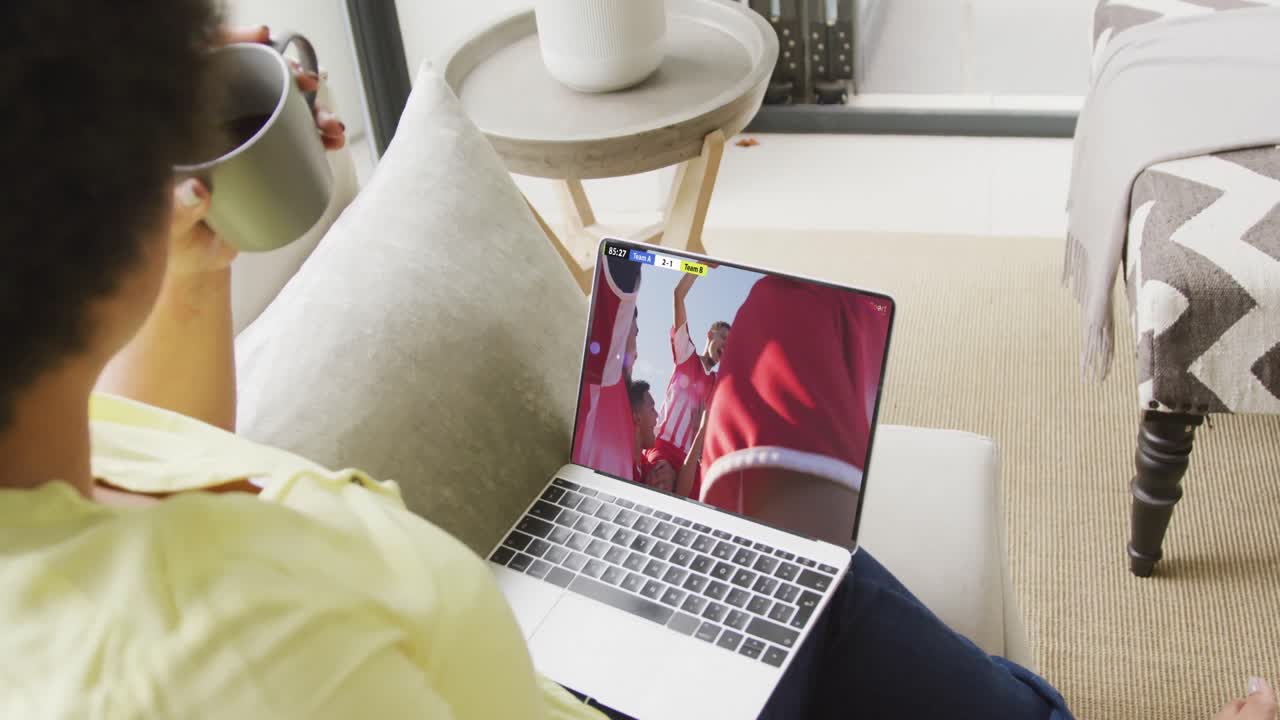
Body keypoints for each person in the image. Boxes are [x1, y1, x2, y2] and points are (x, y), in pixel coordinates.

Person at [1, 3, 1271, 719]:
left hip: (552, 631)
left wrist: (195, 270)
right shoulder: (241, 667)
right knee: (842, 603)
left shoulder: (49, 459)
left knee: (793, 562)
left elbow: (156, 446)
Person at [698, 276, 891, 547]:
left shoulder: (877, 312)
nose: (725, 346)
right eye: (722, 339)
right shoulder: (782, 312)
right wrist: (693, 268)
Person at [646, 271, 727, 499]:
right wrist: (699, 266)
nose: (726, 347)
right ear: (710, 335)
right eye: (723, 339)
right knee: (659, 484)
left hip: (687, 461)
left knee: (715, 497)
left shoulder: (716, 383)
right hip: (661, 449)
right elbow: (678, 294)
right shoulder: (686, 356)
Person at [571, 255, 642, 481]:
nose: (637, 352)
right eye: (635, 334)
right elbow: (621, 269)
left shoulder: (625, 414)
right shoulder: (604, 374)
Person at [626, 379, 676, 491]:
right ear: (637, 418)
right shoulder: (622, 469)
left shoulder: (646, 467)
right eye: (652, 409)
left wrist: (672, 474)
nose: (657, 415)